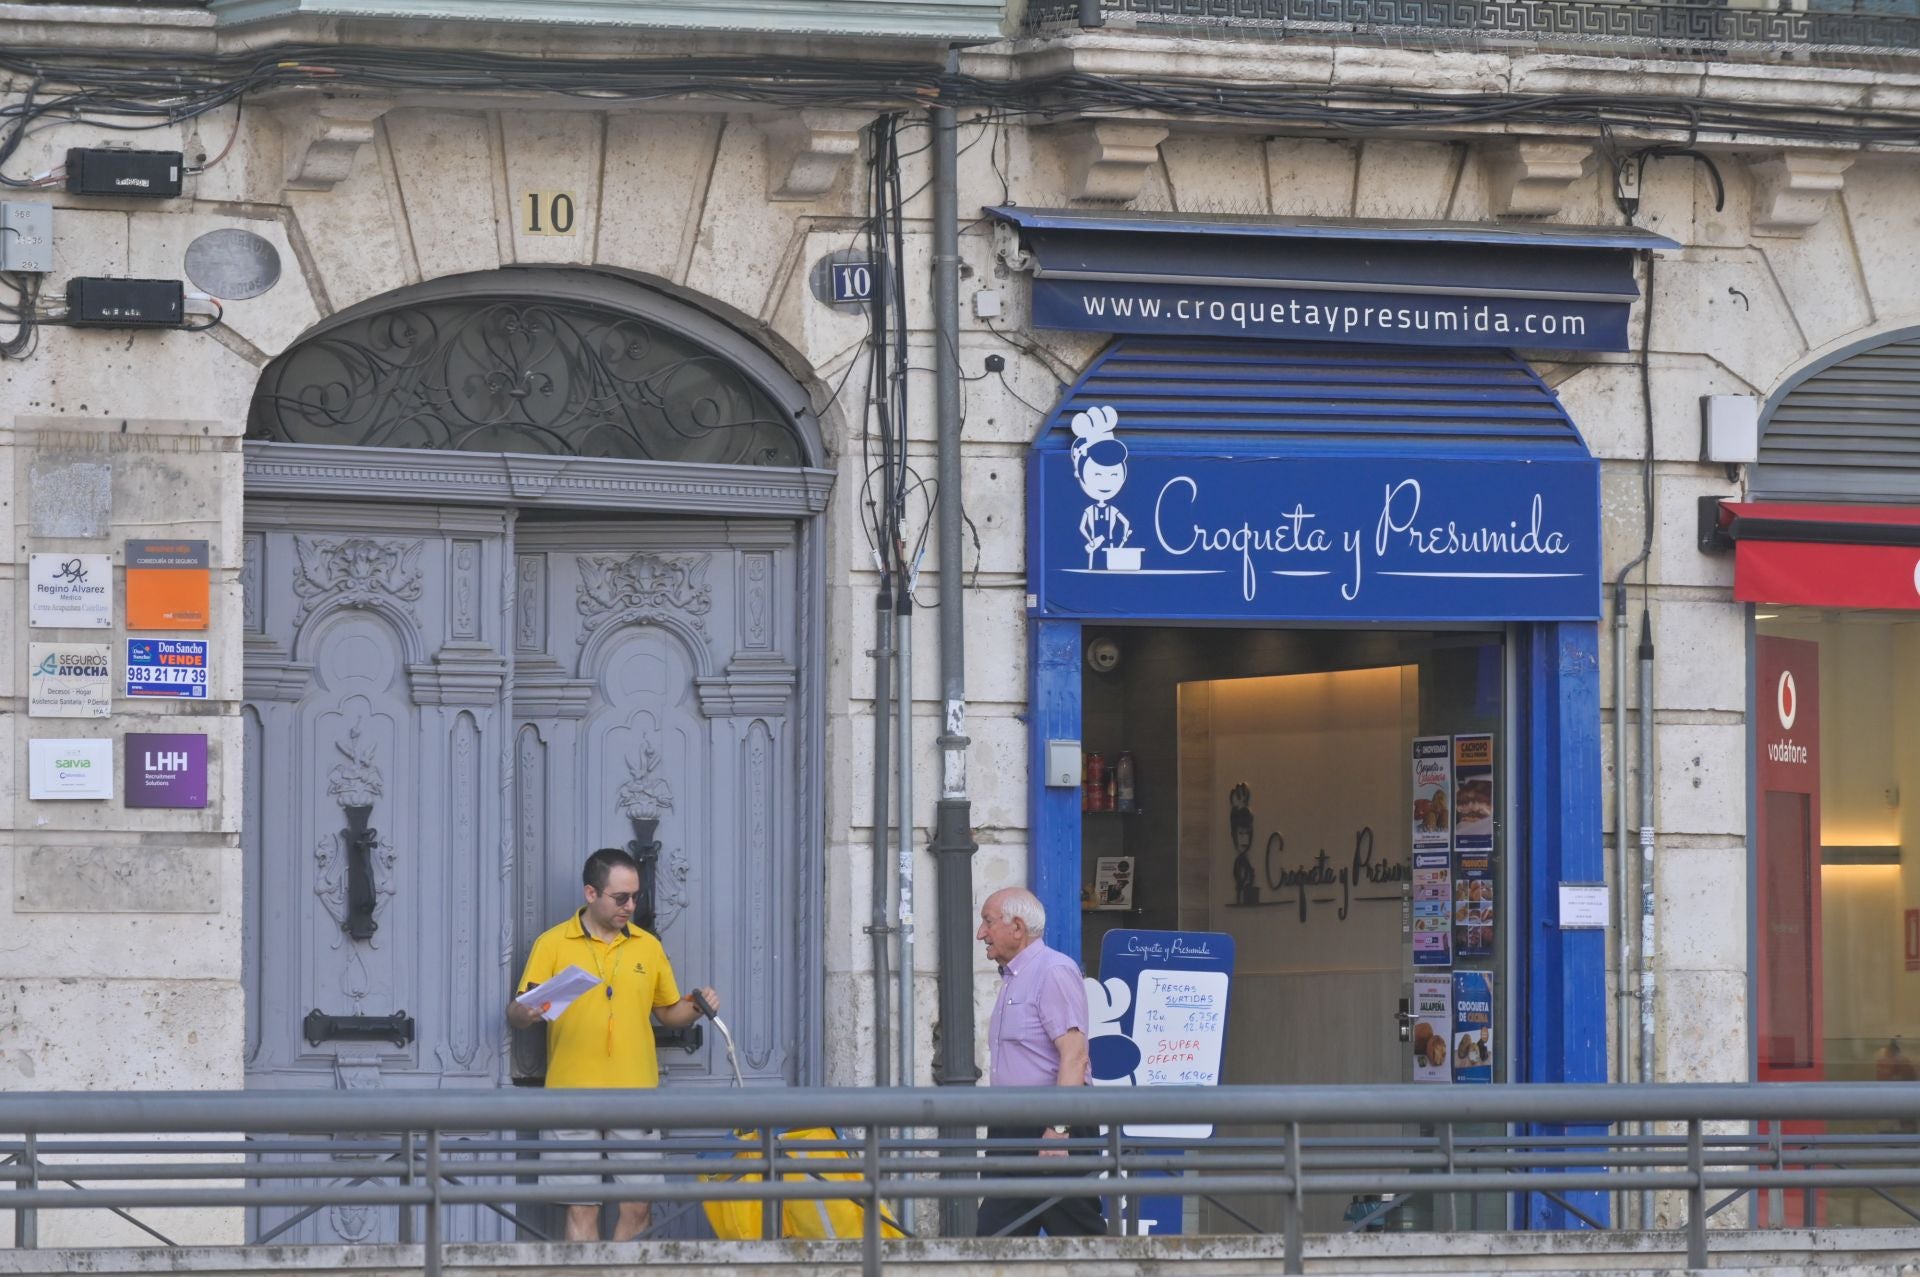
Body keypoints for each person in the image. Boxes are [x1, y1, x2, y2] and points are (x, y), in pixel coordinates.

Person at [506, 847, 719, 1242]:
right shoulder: (552, 944)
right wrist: (528, 1012)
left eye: (635, 897)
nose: (630, 906)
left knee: (638, 1205)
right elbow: (517, 1014)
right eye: (620, 898)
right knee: (581, 1205)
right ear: (591, 894)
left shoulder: (647, 946)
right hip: (570, 1095)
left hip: (636, 1094)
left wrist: (696, 1007)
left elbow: (668, 1013)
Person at [974, 886, 1106, 1238]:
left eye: (988, 922)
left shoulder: (1052, 971)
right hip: (1013, 1130)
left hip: (1051, 1129)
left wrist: (1059, 1130)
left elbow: (1075, 1055)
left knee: (1081, 1241)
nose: (980, 933)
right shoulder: (1014, 979)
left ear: (1017, 927)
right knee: (997, 1239)